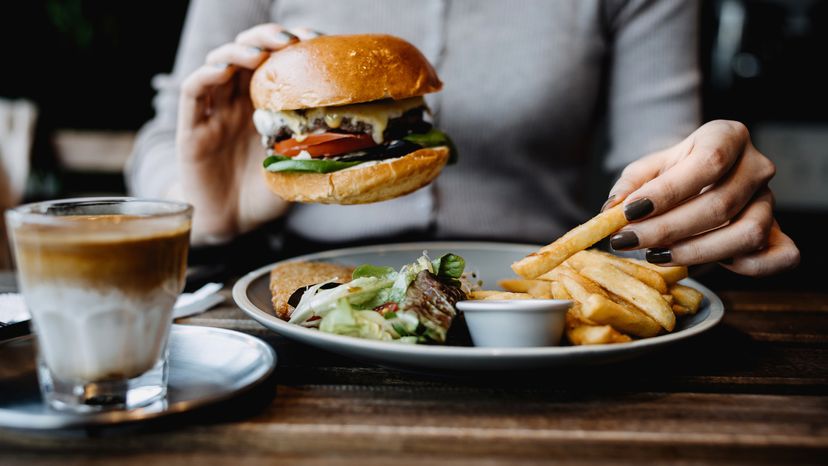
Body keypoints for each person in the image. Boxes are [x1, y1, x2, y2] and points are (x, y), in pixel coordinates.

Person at [127, 0, 798, 277]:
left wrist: (702, 183)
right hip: (303, 288)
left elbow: (664, 155)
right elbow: (163, 137)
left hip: (535, 291)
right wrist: (199, 199)